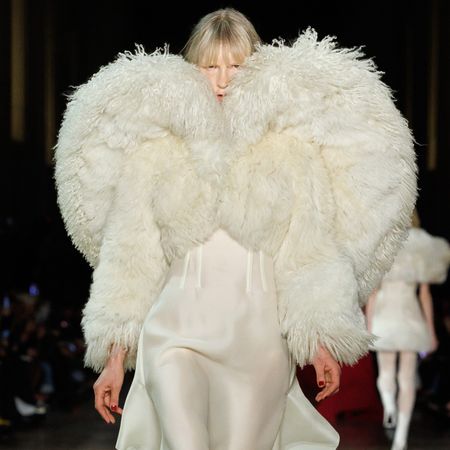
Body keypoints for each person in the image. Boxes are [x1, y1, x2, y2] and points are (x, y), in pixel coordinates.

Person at [55, 8, 417, 450]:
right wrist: (114, 360)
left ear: (258, 70)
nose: (223, 80)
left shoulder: (291, 156)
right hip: (173, 334)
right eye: (210, 66)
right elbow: (129, 260)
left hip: (258, 344)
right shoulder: (153, 156)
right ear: (191, 72)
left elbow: (310, 254)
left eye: (236, 65)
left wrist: (322, 340)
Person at [366, 227, 450, 450]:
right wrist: (431, 331)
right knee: (406, 378)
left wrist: (368, 326)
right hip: (411, 319)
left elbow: (373, 293)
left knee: (386, 373)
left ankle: (389, 407)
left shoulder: (382, 245)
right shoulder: (420, 249)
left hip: (385, 317)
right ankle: (401, 437)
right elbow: (424, 295)